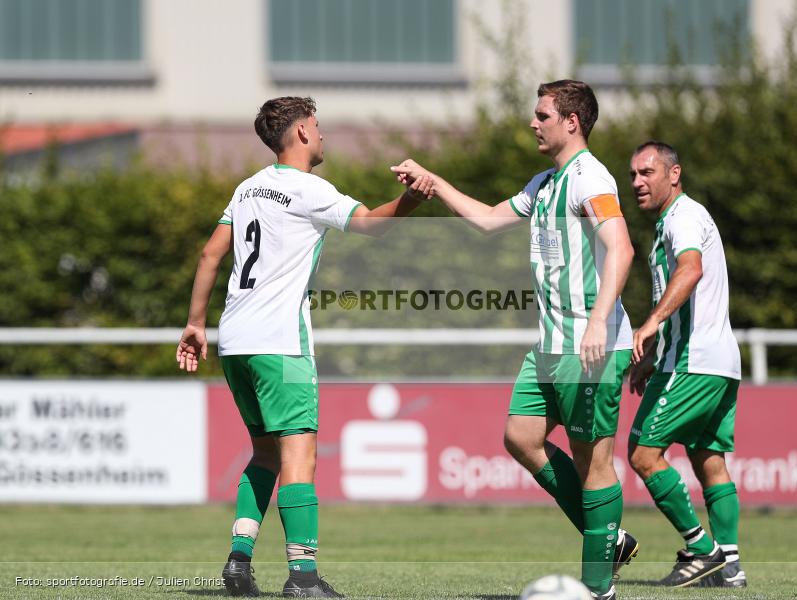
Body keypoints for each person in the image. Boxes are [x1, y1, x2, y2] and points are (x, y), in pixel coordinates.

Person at [176, 96, 433, 598]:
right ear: (299, 134)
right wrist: (415, 200)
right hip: (279, 342)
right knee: (299, 454)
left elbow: (211, 255)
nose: (322, 135)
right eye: (317, 127)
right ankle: (303, 577)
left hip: (236, 340)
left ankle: (238, 563)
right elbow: (371, 225)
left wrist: (193, 323)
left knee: (265, 453)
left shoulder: (247, 188)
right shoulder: (309, 190)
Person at [392, 80, 637, 600]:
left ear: (572, 121)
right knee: (520, 437)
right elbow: (486, 220)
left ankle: (598, 587)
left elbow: (622, 247)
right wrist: (432, 182)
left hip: (588, 346)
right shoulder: (547, 182)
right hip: (550, 345)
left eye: (542, 114)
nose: (533, 122)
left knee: (593, 460)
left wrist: (597, 321)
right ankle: (608, 539)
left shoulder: (590, 177)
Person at [627, 141, 744, 588]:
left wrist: (652, 322)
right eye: (634, 174)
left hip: (694, 361)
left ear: (674, 174)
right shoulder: (669, 223)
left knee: (642, 455)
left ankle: (701, 549)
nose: (637, 181)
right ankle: (729, 568)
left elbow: (690, 270)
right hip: (716, 361)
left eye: (648, 172)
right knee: (708, 459)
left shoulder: (684, 216)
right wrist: (653, 356)